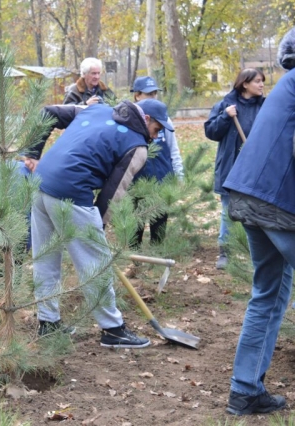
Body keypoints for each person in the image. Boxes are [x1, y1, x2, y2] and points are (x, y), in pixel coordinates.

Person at [24, 99, 173, 347]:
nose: (155, 137)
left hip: (40, 185)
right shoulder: (137, 147)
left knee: (46, 258)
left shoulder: (95, 109)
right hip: (71, 191)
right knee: (97, 264)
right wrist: (98, 233)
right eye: (157, 130)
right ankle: (113, 330)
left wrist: (32, 152)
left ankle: (48, 323)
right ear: (146, 119)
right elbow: (113, 194)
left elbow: (46, 111)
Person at [222, 28, 295, 416]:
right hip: (278, 201)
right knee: (268, 293)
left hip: (249, 194)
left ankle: (245, 391)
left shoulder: (287, 85)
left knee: (269, 293)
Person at [204, 68, 265, 269]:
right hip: (232, 168)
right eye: (257, 81)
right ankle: (225, 252)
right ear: (245, 84)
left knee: (257, 210)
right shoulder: (226, 105)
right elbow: (211, 131)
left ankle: (254, 252)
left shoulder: (264, 107)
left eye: (262, 81)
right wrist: (225, 116)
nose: (262, 84)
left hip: (256, 169)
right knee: (228, 210)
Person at [130, 76, 183, 248]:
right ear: (137, 95)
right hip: (137, 182)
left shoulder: (165, 120)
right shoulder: (130, 121)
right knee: (134, 226)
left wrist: (178, 176)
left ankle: (157, 260)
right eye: (148, 94)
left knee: (159, 225)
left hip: (161, 180)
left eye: (155, 93)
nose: (153, 97)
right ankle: (135, 263)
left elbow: (173, 150)